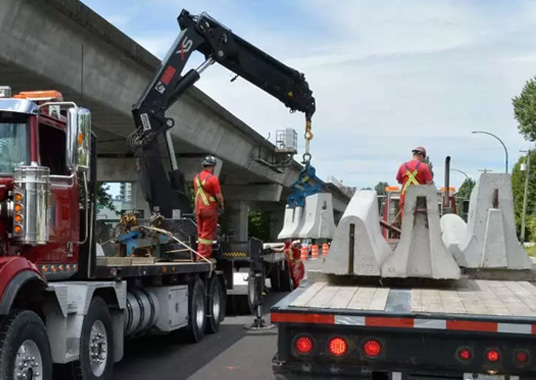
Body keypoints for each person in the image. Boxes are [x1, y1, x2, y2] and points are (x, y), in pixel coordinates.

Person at [193, 155, 224, 261]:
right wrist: (222, 205)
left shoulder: (196, 178)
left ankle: (199, 256)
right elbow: (219, 196)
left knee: (201, 234)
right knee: (207, 234)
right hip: (209, 209)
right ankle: (203, 257)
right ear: (213, 166)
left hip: (199, 208)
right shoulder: (213, 179)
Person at [395, 146, 433, 219]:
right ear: (422, 156)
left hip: (405, 197)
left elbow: (399, 181)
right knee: (419, 221)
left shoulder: (403, 166)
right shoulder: (424, 167)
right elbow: (429, 183)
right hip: (419, 199)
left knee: (406, 221)